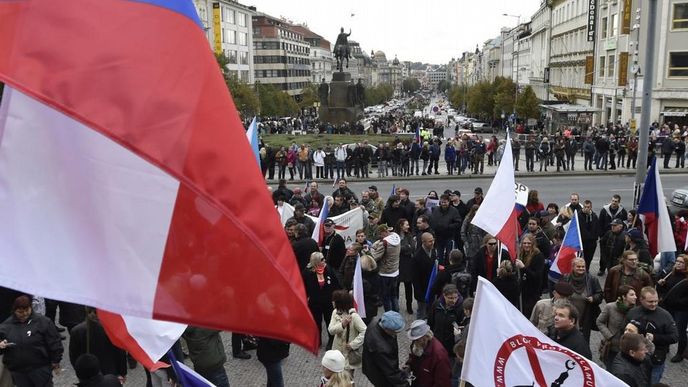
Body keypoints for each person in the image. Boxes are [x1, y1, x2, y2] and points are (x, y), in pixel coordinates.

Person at [0, 295, 63, 387]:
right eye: (20, 312)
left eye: (27, 310)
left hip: (40, 369)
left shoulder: (43, 322)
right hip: (18, 372)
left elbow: (54, 342)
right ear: (14, 311)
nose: (25, 314)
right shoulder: (5, 327)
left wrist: (56, 361)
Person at [626, 287, 678, 384]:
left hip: (655, 360)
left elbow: (675, 337)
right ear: (641, 299)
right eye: (650, 301)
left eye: (656, 301)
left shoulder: (665, 316)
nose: (654, 304)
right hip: (634, 359)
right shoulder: (633, 313)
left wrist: (655, 337)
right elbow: (623, 332)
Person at [69, 307, 127, 381]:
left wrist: (80, 371)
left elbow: (74, 356)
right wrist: (123, 372)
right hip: (111, 372)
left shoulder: (76, 331)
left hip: (87, 374)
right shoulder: (112, 328)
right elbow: (120, 352)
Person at [303, 252, 341, 349]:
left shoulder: (328, 269)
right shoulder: (307, 272)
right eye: (322, 259)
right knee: (316, 322)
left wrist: (336, 298)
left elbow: (336, 284)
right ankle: (317, 340)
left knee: (329, 321)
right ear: (315, 261)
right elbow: (303, 287)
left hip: (328, 302)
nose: (324, 261)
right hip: (315, 302)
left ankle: (331, 340)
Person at [560, 258, 603, 342]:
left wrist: (593, 298)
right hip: (568, 314)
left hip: (585, 316)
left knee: (583, 340)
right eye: (578, 266)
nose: (581, 268)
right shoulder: (565, 278)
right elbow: (559, 292)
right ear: (573, 267)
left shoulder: (592, 279)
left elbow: (600, 294)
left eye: (583, 267)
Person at [362, 311, 408, 387]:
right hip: (379, 376)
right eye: (395, 332)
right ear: (387, 329)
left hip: (371, 367)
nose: (396, 334)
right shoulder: (382, 348)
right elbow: (391, 372)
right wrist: (404, 384)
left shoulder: (376, 322)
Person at [597, 285, 638, 369]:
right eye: (632, 295)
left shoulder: (636, 311)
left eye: (635, 294)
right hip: (612, 347)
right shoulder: (610, 307)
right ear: (624, 296)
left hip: (627, 349)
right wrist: (609, 336)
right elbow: (599, 322)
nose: (635, 297)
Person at [657, 254, 688, 362]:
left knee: (680, 331)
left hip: (681, 310)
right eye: (677, 261)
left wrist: (679, 302)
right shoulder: (671, 274)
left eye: (681, 262)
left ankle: (680, 353)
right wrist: (661, 285)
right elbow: (666, 289)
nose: (678, 264)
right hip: (668, 306)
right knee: (665, 327)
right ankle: (665, 346)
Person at [328, 291, 366, 376]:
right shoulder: (335, 313)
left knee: (347, 380)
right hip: (336, 352)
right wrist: (342, 325)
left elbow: (365, 331)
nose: (332, 302)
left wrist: (353, 344)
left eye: (335, 300)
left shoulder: (354, 316)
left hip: (348, 356)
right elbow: (331, 330)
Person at [405, 320, 451, 387]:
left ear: (426, 337)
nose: (414, 342)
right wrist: (409, 365)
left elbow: (442, 382)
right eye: (413, 339)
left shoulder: (439, 355)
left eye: (417, 339)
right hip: (418, 381)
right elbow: (413, 356)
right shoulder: (417, 344)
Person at [370, 224, 401, 312]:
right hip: (395, 270)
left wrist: (372, 248)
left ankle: (389, 316)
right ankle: (396, 313)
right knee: (394, 295)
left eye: (380, 234)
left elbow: (375, 256)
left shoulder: (384, 242)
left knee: (386, 297)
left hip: (385, 273)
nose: (379, 236)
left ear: (384, 232)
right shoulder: (396, 237)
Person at [427, 284, 463, 359]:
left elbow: (461, 327)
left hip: (451, 347)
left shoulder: (460, 308)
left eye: (455, 297)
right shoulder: (436, 304)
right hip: (437, 343)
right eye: (450, 298)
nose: (454, 300)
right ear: (444, 296)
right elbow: (430, 322)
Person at [515, 235, 545, 318]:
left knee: (529, 315)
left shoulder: (538, 256)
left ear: (533, 244)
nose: (526, 245)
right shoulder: (521, 254)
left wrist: (523, 268)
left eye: (529, 243)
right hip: (522, 290)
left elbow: (536, 276)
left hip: (532, 292)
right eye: (524, 243)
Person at [429, 194, 461, 263]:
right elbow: (432, 221)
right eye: (442, 202)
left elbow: (458, 223)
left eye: (445, 202)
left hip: (449, 236)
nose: (443, 204)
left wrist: (448, 227)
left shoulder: (454, 211)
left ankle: (449, 267)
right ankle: (440, 267)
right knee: (439, 254)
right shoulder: (436, 210)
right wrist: (435, 228)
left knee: (449, 254)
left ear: (449, 202)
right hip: (439, 237)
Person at [395, 218, 415, 315]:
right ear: (401, 226)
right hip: (397, 264)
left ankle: (409, 306)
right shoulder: (394, 236)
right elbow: (395, 248)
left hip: (407, 264)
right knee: (396, 286)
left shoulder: (409, 235)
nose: (408, 226)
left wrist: (401, 248)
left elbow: (412, 247)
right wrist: (406, 247)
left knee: (408, 287)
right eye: (406, 225)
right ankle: (396, 306)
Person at [579, 199, 601, 270]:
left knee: (589, 258)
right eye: (585, 207)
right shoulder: (579, 216)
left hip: (591, 242)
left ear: (591, 207)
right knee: (581, 258)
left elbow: (597, 228)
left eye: (588, 207)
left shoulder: (594, 216)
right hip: (582, 241)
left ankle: (587, 269)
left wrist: (595, 238)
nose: (586, 208)